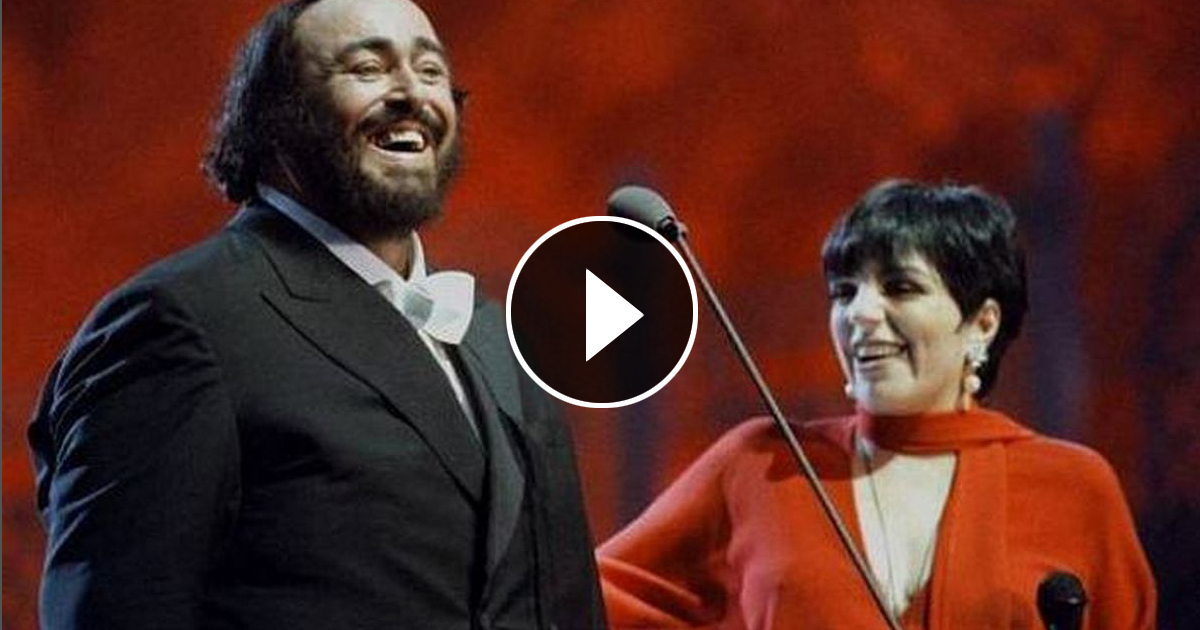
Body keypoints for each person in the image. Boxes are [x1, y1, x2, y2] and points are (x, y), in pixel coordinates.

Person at [27, 1, 605, 628]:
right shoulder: (177, 323)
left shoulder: (496, 336)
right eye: (367, 68)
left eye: (431, 71)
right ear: (276, 117)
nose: (411, 93)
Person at [596, 180, 1156, 629]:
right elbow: (583, 601)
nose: (859, 314)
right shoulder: (759, 465)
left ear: (983, 323)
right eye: (845, 291)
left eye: (900, 287)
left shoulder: (1075, 487)